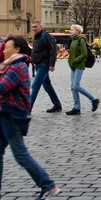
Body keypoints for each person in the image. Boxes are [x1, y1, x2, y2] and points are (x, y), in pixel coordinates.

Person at [0, 36, 60, 199]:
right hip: (6, 113)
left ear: (17, 49)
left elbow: (2, 87)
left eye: (7, 47)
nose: (4, 50)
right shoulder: (10, 66)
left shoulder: (17, 67)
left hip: (13, 114)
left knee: (20, 154)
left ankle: (47, 185)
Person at [29, 19, 62, 114]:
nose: (34, 29)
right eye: (32, 27)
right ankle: (57, 105)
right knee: (47, 85)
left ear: (41, 27)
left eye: (35, 27)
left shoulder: (46, 36)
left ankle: (28, 109)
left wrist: (52, 64)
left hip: (44, 64)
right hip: (37, 64)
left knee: (35, 85)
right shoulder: (35, 36)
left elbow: (53, 49)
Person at [66, 24, 100, 115]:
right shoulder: (72, 40)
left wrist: (75, 60)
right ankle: (76, 108)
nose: (70, 31)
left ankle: (93, 99)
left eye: (72, 30)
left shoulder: (81, 40)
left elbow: (84, 54)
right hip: (73, 65)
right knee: (73, 87)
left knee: (76, 86)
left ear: (77, 31)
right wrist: (70, 61)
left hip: (79, 65)